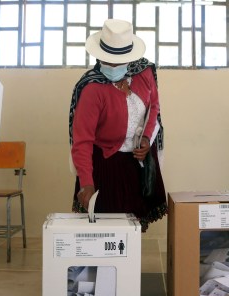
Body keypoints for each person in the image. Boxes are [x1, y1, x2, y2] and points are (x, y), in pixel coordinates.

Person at [68, 19, 167, 232]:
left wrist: (146, 138)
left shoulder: (144, 73)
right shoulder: (92, 88)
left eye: (118, 61)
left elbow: (154, 107)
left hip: (136, 164)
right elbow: (82, 141)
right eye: (108, 60)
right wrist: (87, 182)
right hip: (107, 166)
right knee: (107, 230)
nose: (112, 66)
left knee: (133, 228)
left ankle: (128, 265)